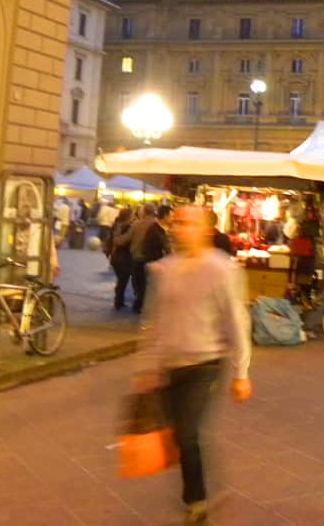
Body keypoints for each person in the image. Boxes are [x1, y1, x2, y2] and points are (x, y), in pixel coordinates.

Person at [132, 206, 253, 525]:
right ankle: (202, 486)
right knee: (179, 435)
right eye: (177, 223)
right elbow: (152, 320)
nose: (180, 228)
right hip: (169, 364)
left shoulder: (222, 269)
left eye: (188, 223)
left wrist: (241, 372)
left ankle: (195, 502)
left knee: (187, 432)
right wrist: (146, 366)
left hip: (206, 363)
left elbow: (237, 321)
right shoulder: (164, 269)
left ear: (206, 230)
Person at [106, 206, 135, 310]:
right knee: (123, 279)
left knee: (121, 279)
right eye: (132, 215)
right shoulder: (126, 226)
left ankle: (119, 300)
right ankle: (118, 302)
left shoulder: (116, 224)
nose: (133, 217)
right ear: (128, 216)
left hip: (116, 256)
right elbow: (121, 241)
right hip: (123, 257)